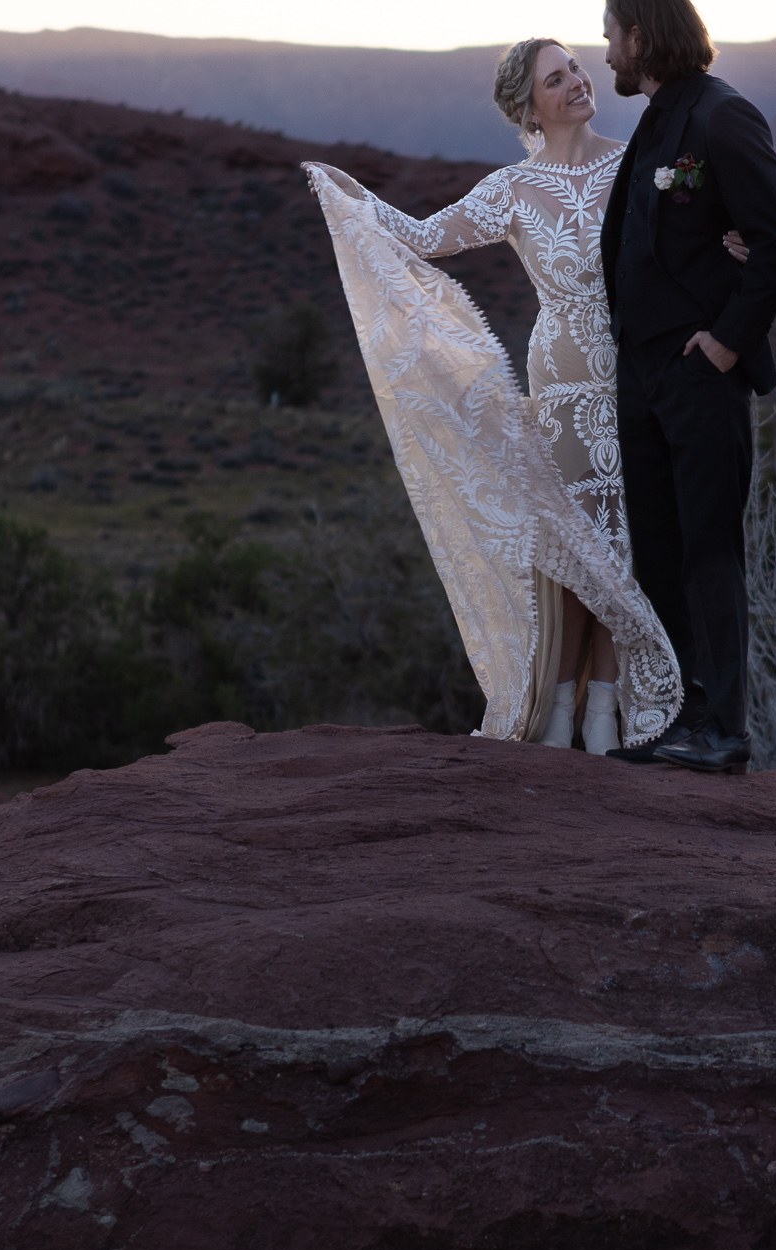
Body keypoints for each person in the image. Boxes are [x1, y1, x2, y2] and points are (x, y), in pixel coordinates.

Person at [305, 40, 739, 755]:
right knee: (573, 550)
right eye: (556, 78)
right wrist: (345, 196)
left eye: (575, 69)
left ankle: (610, 716)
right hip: (563, 386)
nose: (577, 82)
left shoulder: (635, 161)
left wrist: (735, 241)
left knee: (627, 548)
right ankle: (559, 710)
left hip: (635, 377)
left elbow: (689, 236)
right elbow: (422, 238)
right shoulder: (508, 189)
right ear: (527, 106)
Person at [599, 0, 776, 775]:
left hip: (698, 373)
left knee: (709, 551)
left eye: (611, 33)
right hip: (640, 377)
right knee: (657, 550)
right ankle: (687, 716)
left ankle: (725, 729)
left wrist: (724, 342)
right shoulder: (654, 124)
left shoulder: (721, 116)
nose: (606, 49)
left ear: (641, 37)